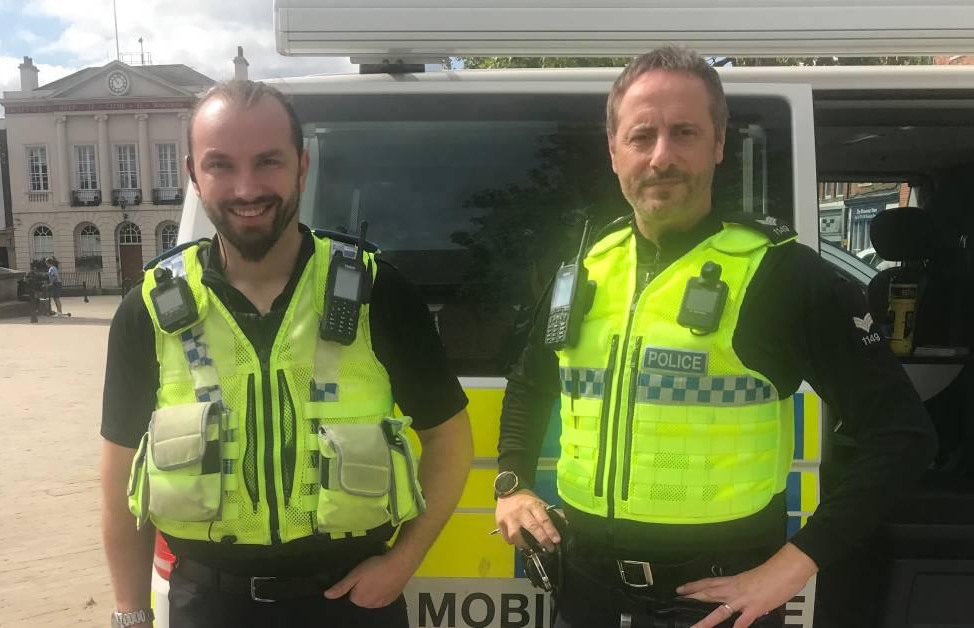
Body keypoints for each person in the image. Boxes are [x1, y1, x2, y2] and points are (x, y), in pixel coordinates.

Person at [492, 46, 937, 628]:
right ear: (613, 150)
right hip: (587, 588)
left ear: (719, 144)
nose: (661, 157)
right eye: (641, 135)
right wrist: (512, 481)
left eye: (684, 133)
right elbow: (531, 382)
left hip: (718, 600)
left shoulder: (784, 275)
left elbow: (902, 437)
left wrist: (794, 565)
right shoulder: (585, 269)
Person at [100, 80, 474, 628]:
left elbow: (450, 438)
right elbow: (116, 481)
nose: (247, 188)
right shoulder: (149, 310)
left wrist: (403, 561)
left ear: (301, 167)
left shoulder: (376, 292)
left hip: (351, 605)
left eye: (268, 162)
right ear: (193, 175)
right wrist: (130, 616)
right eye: (221, 165)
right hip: (208, 606)